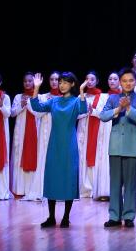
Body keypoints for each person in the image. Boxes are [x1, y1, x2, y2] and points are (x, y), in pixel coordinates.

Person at [28, 71, 90, 228]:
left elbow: (84, 110)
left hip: (69, 144)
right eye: (60, 82)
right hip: (54, 144)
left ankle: (66, 217)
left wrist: (81, 91)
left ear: (72, 84)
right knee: (52, 177)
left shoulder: (76, 101)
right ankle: (51, 217)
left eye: (65, 82)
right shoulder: (54, 101)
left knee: (69, 178)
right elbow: (36, 106)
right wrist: (36, 88)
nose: (61, 85)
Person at [98, 67, 136, 227]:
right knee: (115, 184)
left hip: (132, 148)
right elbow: (103, 116)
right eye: (125, 81)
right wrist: (119, 108)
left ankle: (129, 216)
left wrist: (128, 108)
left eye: (131, 80)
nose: (128, 83)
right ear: (120, 82)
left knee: (130, 185)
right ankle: (114, 216)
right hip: (115, 147)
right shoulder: (113, 98)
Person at [77, 71, 110, 200]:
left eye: (92, 79)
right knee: (82, 158)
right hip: (83, 131)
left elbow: (104, 113)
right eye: (87, 79)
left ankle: (96, 188)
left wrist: (93, 111)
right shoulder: (81, 96)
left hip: (97, 131)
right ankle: (84, 189)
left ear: (97, 81)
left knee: (97, 159)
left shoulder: (103, 97)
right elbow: (76, 114)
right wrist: (86, 111)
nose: (89, 82)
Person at [11, 72, 44, 200]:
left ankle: (31, 189)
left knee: (33, 156)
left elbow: (40, 113)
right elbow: (12, 113)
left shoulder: (39, 97)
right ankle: (20, 189)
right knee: (19, 157)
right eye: (25, 81)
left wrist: (29, 104)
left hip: (35, 131)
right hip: (21, 131)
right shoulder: (18, 97)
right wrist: (21, 105)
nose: (27, 83)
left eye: (30, 81)